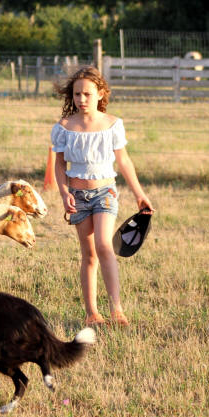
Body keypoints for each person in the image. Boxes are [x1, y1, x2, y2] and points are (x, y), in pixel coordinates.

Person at [51, 66, 154, 327]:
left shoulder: (112, 125)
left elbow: (125, 162)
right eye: (77, 94)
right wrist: (64, 194)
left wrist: (140, 194)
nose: (82, 99)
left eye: (87, 93)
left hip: (105, 193)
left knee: (104, 245)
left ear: (100, 94)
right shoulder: (64, 127)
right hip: (77, 196)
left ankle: (116, 310)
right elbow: (59, 165)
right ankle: (92, 314)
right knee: (88, 255)